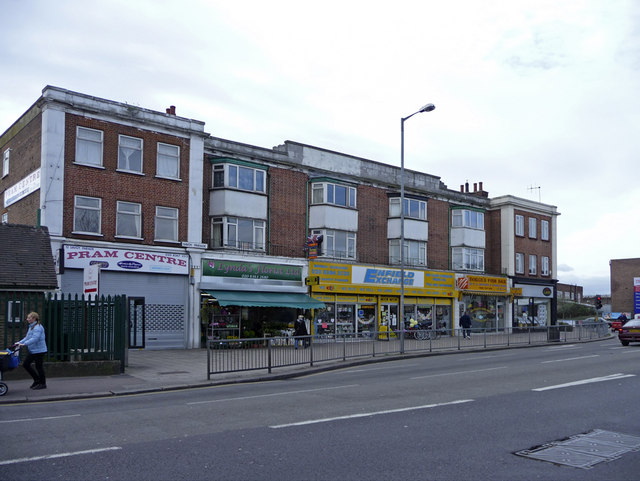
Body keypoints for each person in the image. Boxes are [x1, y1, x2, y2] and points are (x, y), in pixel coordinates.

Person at [15, 311, 48, 389]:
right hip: (34, 350)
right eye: (28, 318)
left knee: (39, 367)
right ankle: (37, 380)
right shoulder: (31, 327)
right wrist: (19, 342)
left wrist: (25, 344)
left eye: (29, 318)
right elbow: (27, 337)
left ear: (34, 318)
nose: (27, 319)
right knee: (26, 364)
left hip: (39, 351)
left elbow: (35, 339)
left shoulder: (38, 327)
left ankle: (43, 384)